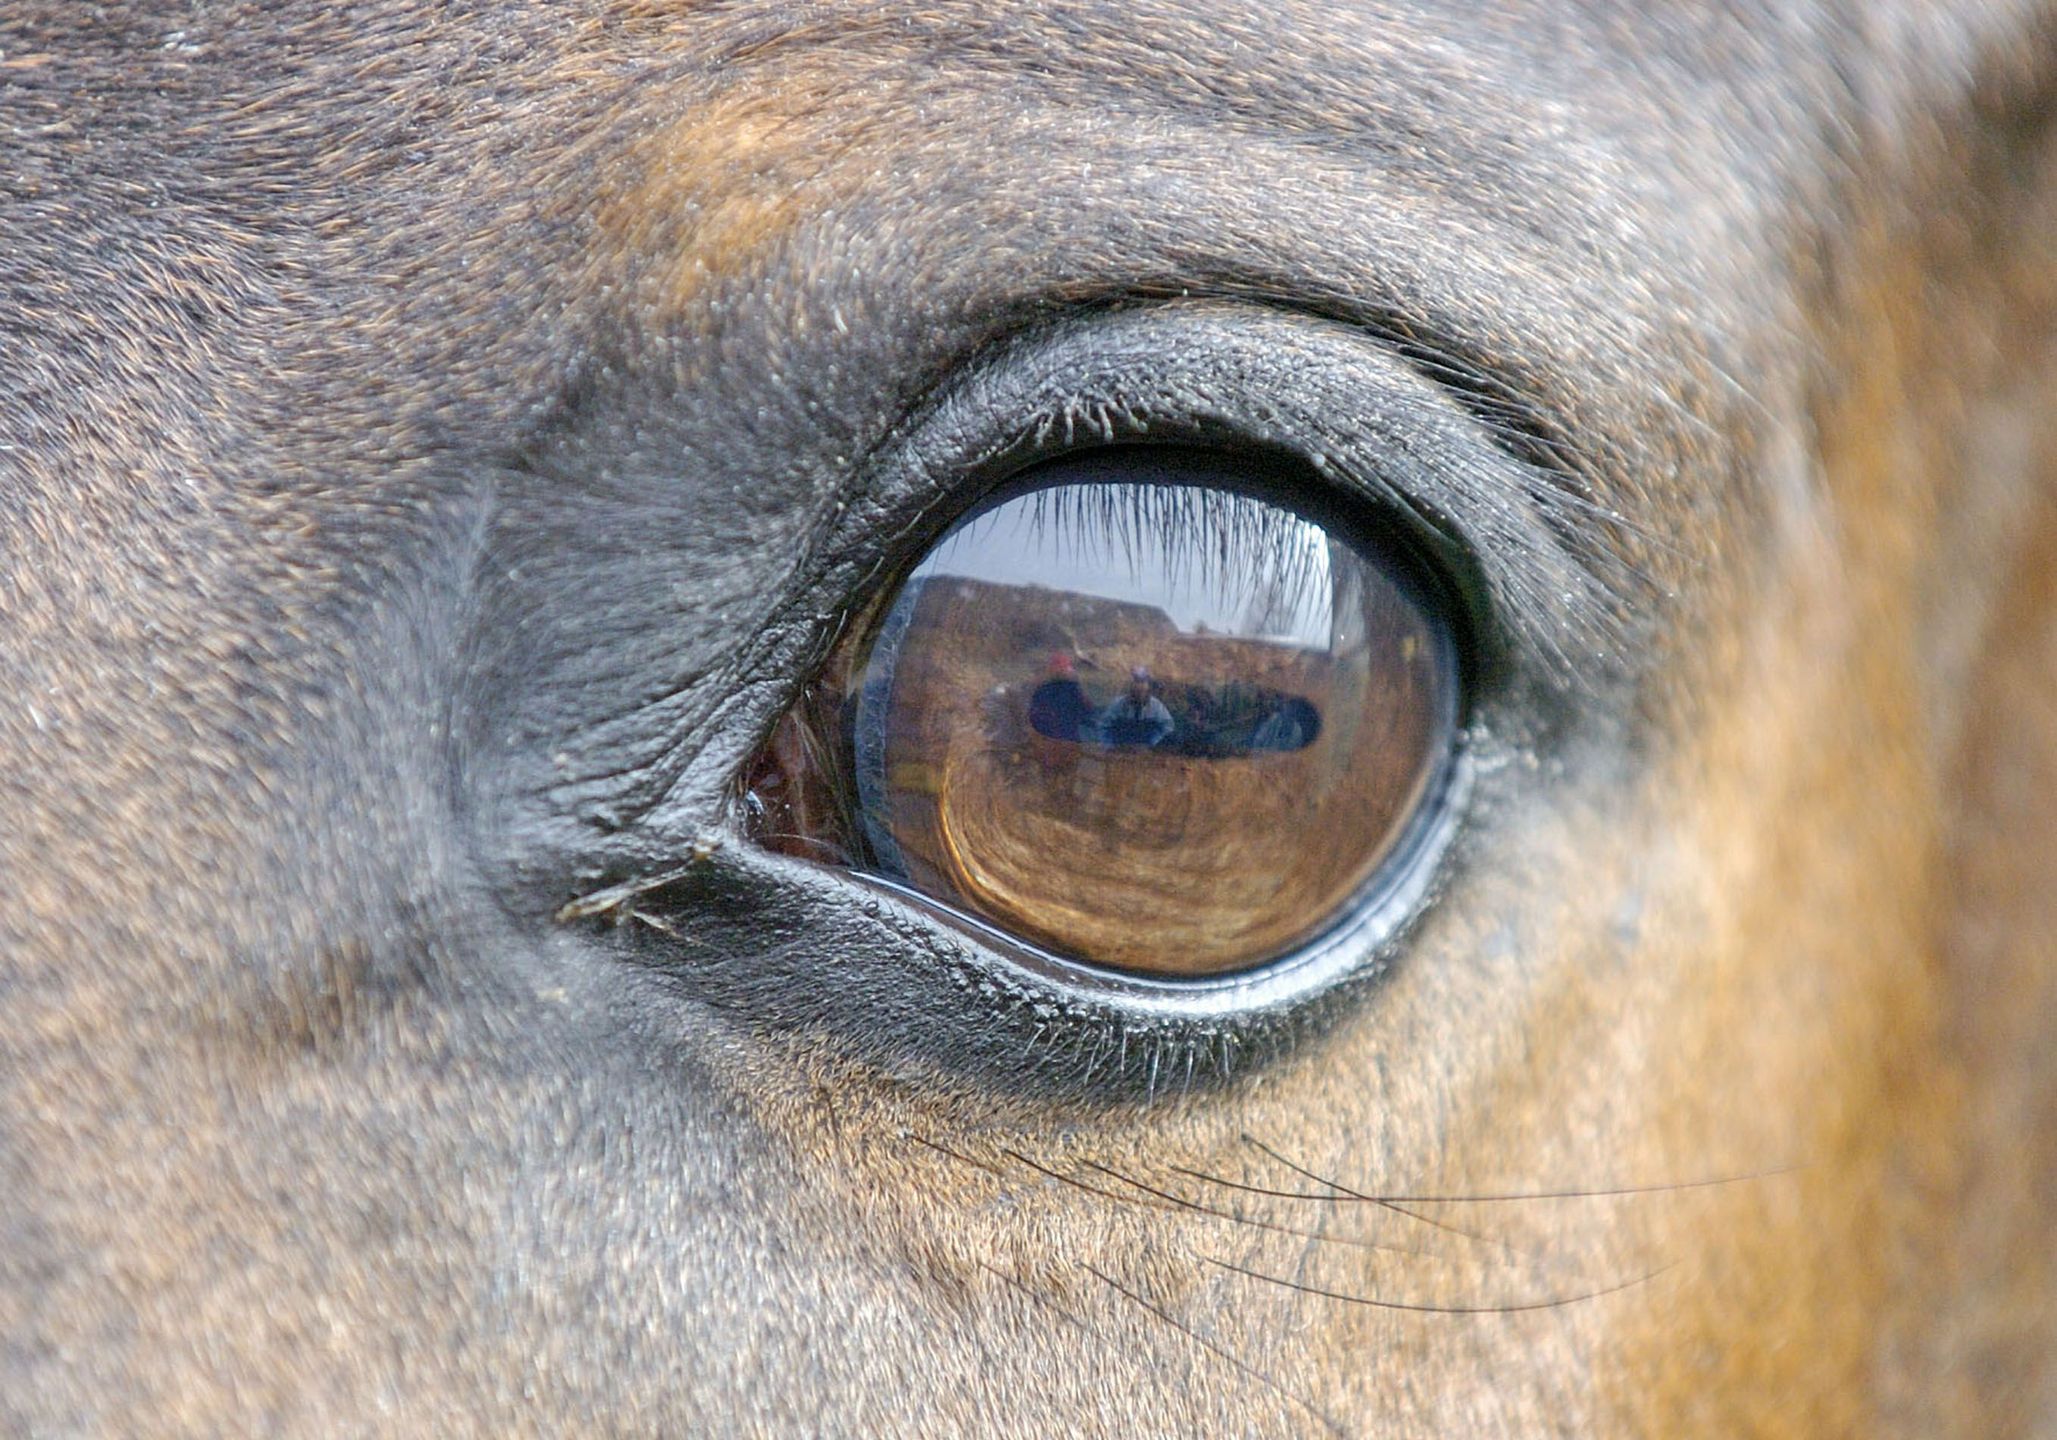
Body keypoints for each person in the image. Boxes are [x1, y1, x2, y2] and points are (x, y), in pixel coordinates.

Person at [1094, 666, 1175, 747]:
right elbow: (1103, 726)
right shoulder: (1118, 704)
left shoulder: (1156, 706)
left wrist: (1152, 743)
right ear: (1130, 686)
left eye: (1143, 681)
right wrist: (1110, 746)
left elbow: (1168, 727)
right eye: (1136, 681)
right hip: (1121, 749)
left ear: (1148, 686)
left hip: (1145, 751)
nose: (1140, 685)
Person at [1026, 652, 1094, 742]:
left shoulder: (1042, 690)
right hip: (1066, 737)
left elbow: (1033, 716)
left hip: (1051, 738)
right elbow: (1087, 711)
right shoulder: (1073, 689)